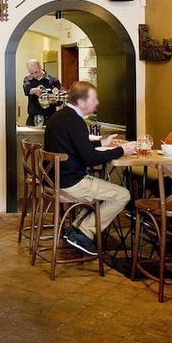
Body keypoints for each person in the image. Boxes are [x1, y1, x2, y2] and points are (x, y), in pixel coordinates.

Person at [43, 81, 136, 255]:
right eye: (93, 99)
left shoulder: (59, 117)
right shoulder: (76, 121)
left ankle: (76, 229)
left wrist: (103, 143)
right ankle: (83, 233)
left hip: (54, 180)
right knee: (123, 195)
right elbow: (90, 159)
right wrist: (121, 150)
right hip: (71, 183)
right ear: (81, 102)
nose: (97, 103)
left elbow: (78, 147)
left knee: (102, 193)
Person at [22, 59, 62, 126]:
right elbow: (27, 90)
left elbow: (58, 100)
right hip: (33, 118)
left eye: (36, 72)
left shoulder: (52, 80)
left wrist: (51, 99)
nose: (34, 75)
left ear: (40, 67)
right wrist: (34, 90)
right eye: (31, 73)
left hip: (49, 117)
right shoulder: (28, 79)